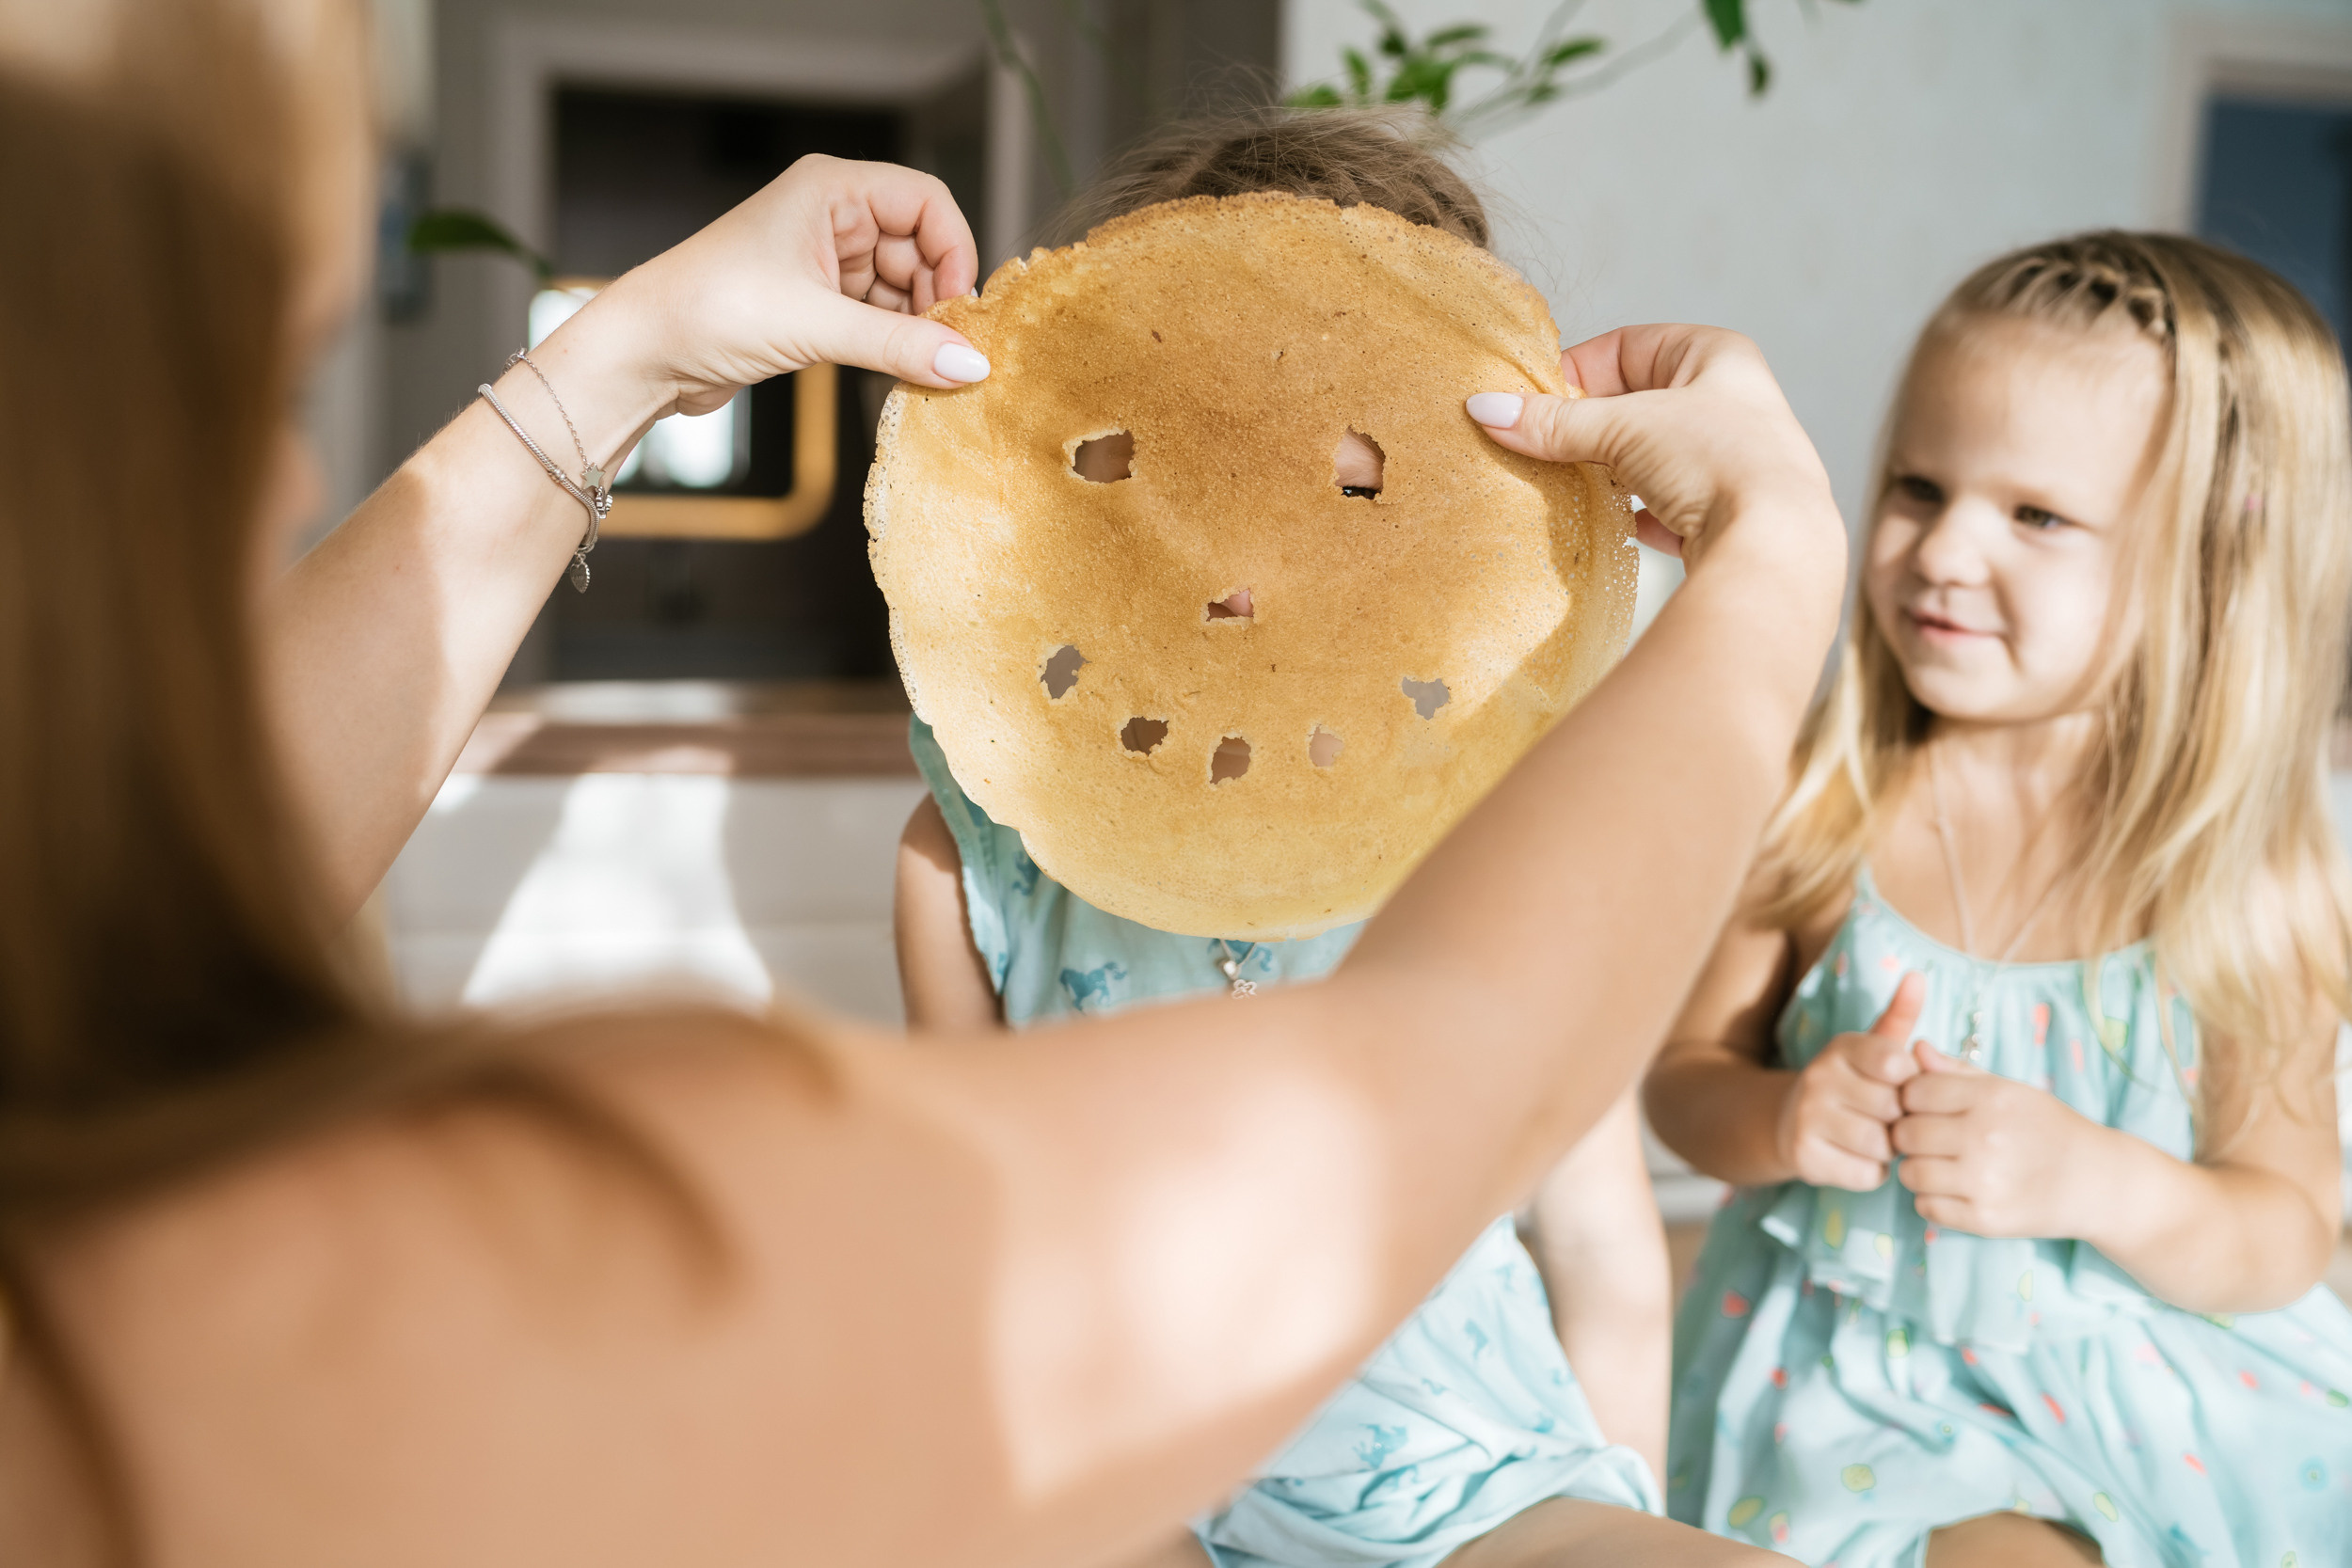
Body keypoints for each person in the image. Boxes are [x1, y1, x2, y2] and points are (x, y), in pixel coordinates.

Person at [0, 1, 1847, 1562]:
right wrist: (1766, 572)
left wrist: (622, 359)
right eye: (276, 380)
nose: (283, 498)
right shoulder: (428, 1243)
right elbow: (1446, 1081)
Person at [894, 109, 1720, 1568]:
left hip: (1473, 1474)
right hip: (1114, 1473)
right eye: (1185, 473)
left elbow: (1600, 1248)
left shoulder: (1515, 838)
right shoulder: (970, 862)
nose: (1252, 565)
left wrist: (1628, 1505)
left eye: (1351, 490)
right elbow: (972, 1262)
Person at [1645, 232, 2352, 1568]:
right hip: (1850, 1380)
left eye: (2036, 515)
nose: (1943, 550)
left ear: (2213, 559)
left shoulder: (2236, 873)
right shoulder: (1828, 797)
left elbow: (2286, 1226)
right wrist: (1785, 1115)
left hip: (2138, 1379)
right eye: (1920, 485)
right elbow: (1684, 1079)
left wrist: (2104, 1181)